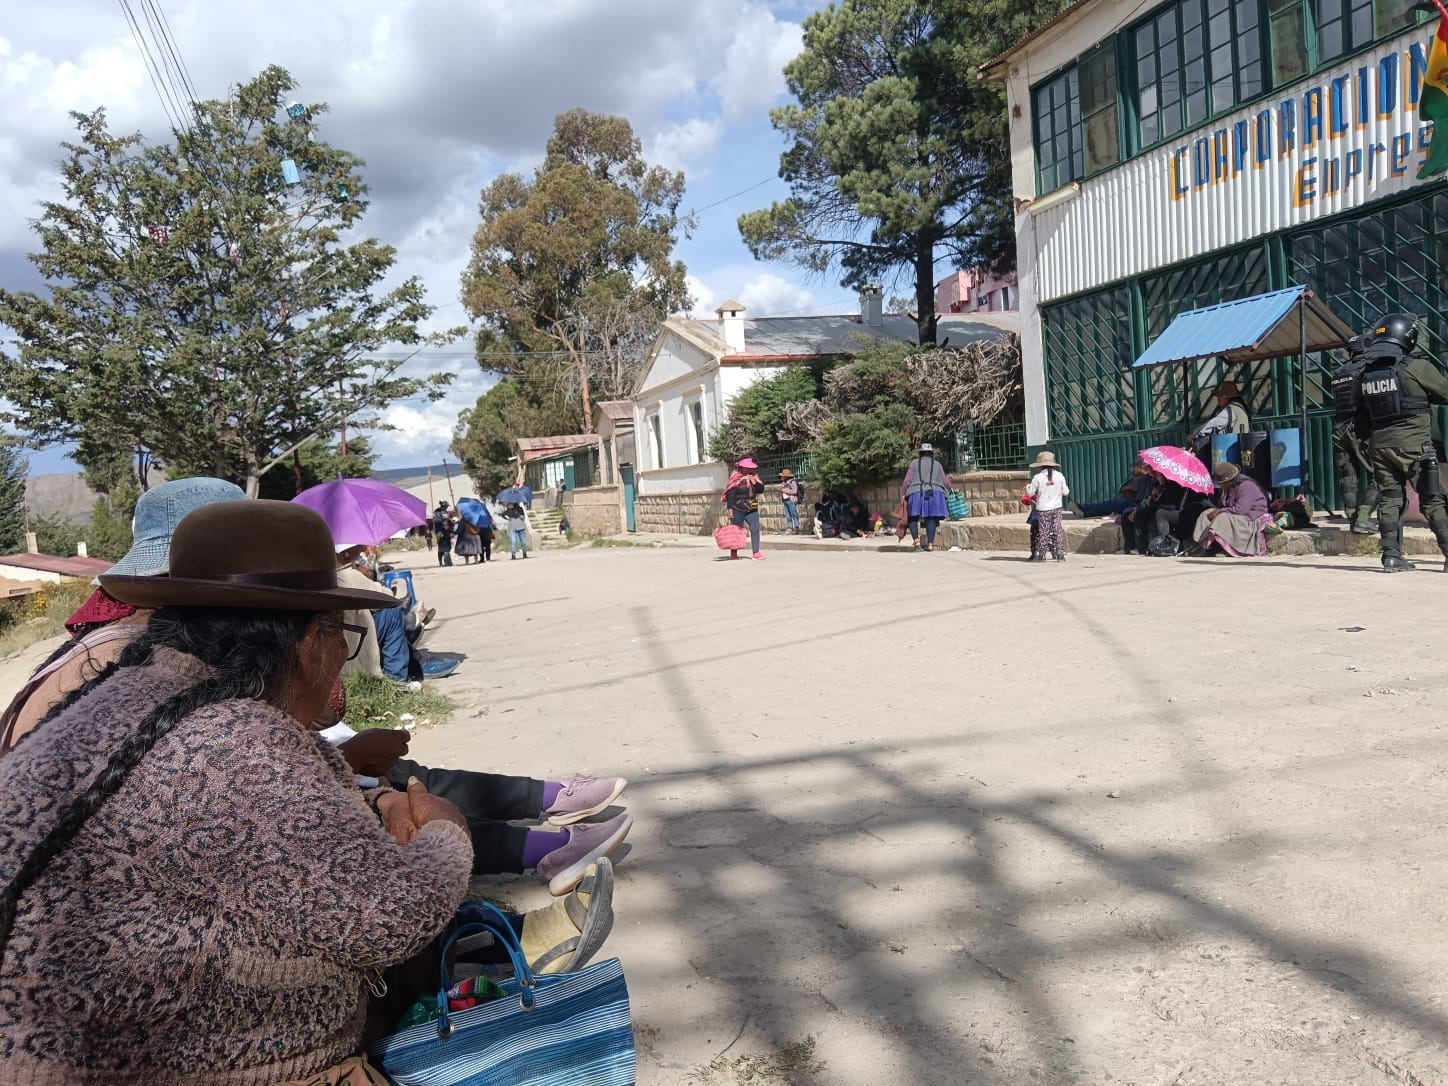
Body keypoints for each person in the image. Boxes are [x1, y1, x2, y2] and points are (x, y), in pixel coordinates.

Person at [0, 500, 472, 1083]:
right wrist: (445, 828)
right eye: (344, 638)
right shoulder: (233, 742)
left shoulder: (140, 691)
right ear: (310, 642)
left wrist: (377, 804)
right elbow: (391, 919)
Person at [1354, 312, 1448, 572]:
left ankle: (1391, 557)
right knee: (1432, 498)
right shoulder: (1416, 366)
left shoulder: (1365, 373)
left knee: (1390, 498)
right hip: (1414, 444)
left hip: (1380, 446)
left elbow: (1358, 409)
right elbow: (1444, 393)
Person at [1331, 335, 1380, 535]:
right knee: (1381, 474)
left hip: (1339, 427)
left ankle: (1352, 519)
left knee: (1348, 475)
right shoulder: (1367, 369)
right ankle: (1363, 518)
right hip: (1359, 427)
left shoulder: (1338, 372)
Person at [1192, 462, 1272, 556]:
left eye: (1221, 484)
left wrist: (1221, 511)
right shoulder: (1227, 489)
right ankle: (1206, 546)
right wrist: (1218, 508)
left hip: (1250, 517)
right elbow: (1224, 505)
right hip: (1234, 513)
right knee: (1206, 514)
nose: (1220, 486)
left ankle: (1228, 549)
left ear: (1229, 481)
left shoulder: (1246, 486)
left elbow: (1241, 510)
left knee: (1222, 519)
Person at [901, 442, 951, 551]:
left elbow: (907, 481)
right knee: (931, 518)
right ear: (931, 453)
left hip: (916, 492)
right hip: (934, 493)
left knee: (912, 517)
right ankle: (930, 544)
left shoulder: (914, 463)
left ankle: (916, 542)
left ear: (920, 453)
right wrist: (950, 488)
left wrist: (903, 493)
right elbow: (945, 481)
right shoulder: (937, 464)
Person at [1024, 451, 1070, 562]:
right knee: (1057, 529)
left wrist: (1027, 487)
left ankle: (1042, 554)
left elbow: (1031, 493)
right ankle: (1060, 554)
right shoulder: (1059, 476)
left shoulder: (1037, 478)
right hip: (1057, 508)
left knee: (1043, 530)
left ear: (1040, 466)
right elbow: (1066, 492)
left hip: (1043, 509)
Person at [723, 456, 766, 559]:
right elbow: (730, 495)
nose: (750, 469)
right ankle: (734, 552)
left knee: (755, 529)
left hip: (752, 508)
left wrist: (754, 482)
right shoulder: (735, 478)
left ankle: (756, 552)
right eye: (747, 468)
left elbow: (760, 490)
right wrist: (730, 510)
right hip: (737, 508)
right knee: (736, 531)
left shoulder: (754, 477)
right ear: (741, 468)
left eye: (750, 468)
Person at [432, 501, 455, 566]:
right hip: (444, 532)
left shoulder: (436, 512)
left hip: (438, 532)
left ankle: (441, 563)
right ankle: (446, 561)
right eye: (447, 506)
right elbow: (445, 522)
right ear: (445, 506)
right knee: (445, 546)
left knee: (440, 547)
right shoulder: (443, 512)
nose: (447, 507)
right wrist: (451, 521)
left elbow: (435, 522)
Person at [779, 468, 802, 534]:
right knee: (788, 515)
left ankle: (796, 527)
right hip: (785, 500)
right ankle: (789, 528)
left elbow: (794, 491)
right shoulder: (784, 483)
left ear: (786, 477)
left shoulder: (792, 482)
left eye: (782, 476)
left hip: (791, 500)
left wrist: (784, 490)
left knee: (794, 514)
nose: (781, 477)